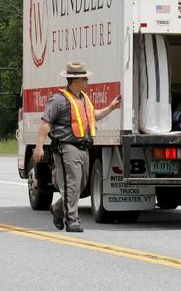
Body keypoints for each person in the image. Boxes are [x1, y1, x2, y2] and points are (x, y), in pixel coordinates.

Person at [31, 61, 121, 233]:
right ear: (76, 81)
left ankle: (58, 209)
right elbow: (45, 123)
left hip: (83, 147)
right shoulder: (59, 100)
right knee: (72, 185)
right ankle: (72, 221)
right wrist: (39, 146)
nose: (88, 81)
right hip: (67, 148)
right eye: (85, 78)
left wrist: (110, 108)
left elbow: (93, 115)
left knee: (80, 185)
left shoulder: (83, 98)